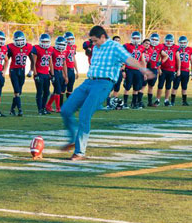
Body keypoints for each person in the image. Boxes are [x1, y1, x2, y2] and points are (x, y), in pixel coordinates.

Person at [60, 25, 154, 160]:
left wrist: (143, 69)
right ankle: (74, 137)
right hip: (88, 82)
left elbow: (129, 59)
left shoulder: (115, 47)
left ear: (103, 37)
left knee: (85, 114)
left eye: (94, 41)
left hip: (103, 84)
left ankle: (79, 152)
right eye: (91, 41)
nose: (93, 44)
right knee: (66, 109)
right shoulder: (97, 47)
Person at [6, 30, 33, 116]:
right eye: (17, 40)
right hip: (13, 70)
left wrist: (31, 70)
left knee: (18, 92)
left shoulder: (28, 47)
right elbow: (6, 60)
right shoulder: (11, 47)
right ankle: (20, 110)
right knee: (17, 91)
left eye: (21, 40)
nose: (20, 42)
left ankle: (12, 109)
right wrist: (3, 70)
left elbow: (32, 60)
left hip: (22, 70)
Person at [31, 33, 54, 115]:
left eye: (46, 41)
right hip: (39, 74)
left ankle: (43, 108)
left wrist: (52, 74)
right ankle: (40, 109)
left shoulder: (51, 49)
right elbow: (33, 62)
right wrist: (35, 74)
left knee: (47, 92)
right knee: (40, 92)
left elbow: (51, 63)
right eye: (43, 42)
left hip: (46, 74)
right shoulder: (36, 48)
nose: (45, 43)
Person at [123, 31, 146, 108]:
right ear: (131, 38)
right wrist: (123, 69)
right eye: (134, 38)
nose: (136, 40)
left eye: (137, 38)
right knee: (127, 87)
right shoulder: (127, 46)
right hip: (129, 69)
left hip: (138, 70)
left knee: (136, 87)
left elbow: (143, 60)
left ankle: (134, 103)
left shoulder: (142, 48)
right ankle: (125, 103)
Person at [46, 36, 69, 113]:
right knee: (58, 90)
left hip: (60, 72)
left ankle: (48, 105)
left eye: (63, 45)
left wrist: (66, 75)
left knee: (57, 90)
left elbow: (64, 64)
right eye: (60, 44)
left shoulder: (65, 52)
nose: (61, 46)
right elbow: (50, 62)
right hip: (54, 71)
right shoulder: (52, 50)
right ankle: (58, 108)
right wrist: (52, 74)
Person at [156, 34, 179, 106]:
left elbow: (178, 59)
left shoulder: (176, 47)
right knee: (160, 85)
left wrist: (178, 70)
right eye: (167, 41)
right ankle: (158, 100)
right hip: (163, 69)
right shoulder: (161, 46)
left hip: (171, 70)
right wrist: (159, 68)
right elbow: (159, 58)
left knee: (168, 86)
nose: (168, 42)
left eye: (170, 41)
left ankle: (166, 100)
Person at [173, 35, 192, 106]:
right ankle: (172, 101)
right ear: (179, 43)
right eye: (181, 43)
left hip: (186, 71)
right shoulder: (176, 49)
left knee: (184, 86)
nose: (183, 44)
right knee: (175, 86)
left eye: (184, 42)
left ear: (187, 42)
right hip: (178, 70)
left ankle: (184, 101)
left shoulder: (190, 49)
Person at [145, 33, 162, 107]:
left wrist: (159, 65)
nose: (154, 41)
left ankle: (149, 102)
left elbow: (165, 56)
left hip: (154, 68)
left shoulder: (159, 47)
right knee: (141, 85)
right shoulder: (146, 45)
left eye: (156, 40)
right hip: (145, 68)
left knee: (151, 86)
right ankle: (136, 101)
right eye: (153, 39)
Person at [64, 31, 79, 101]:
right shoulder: (64, 47)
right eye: (68, 39)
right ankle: (55, 105)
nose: (70, 41)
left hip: (71, 69)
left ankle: (69, 104)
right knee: (62, 89)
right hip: (65, 69)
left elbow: (74, 58)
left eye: (71, 39)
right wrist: (65, 74)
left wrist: (77, 70)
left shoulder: (74, 47)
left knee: (70, 88)